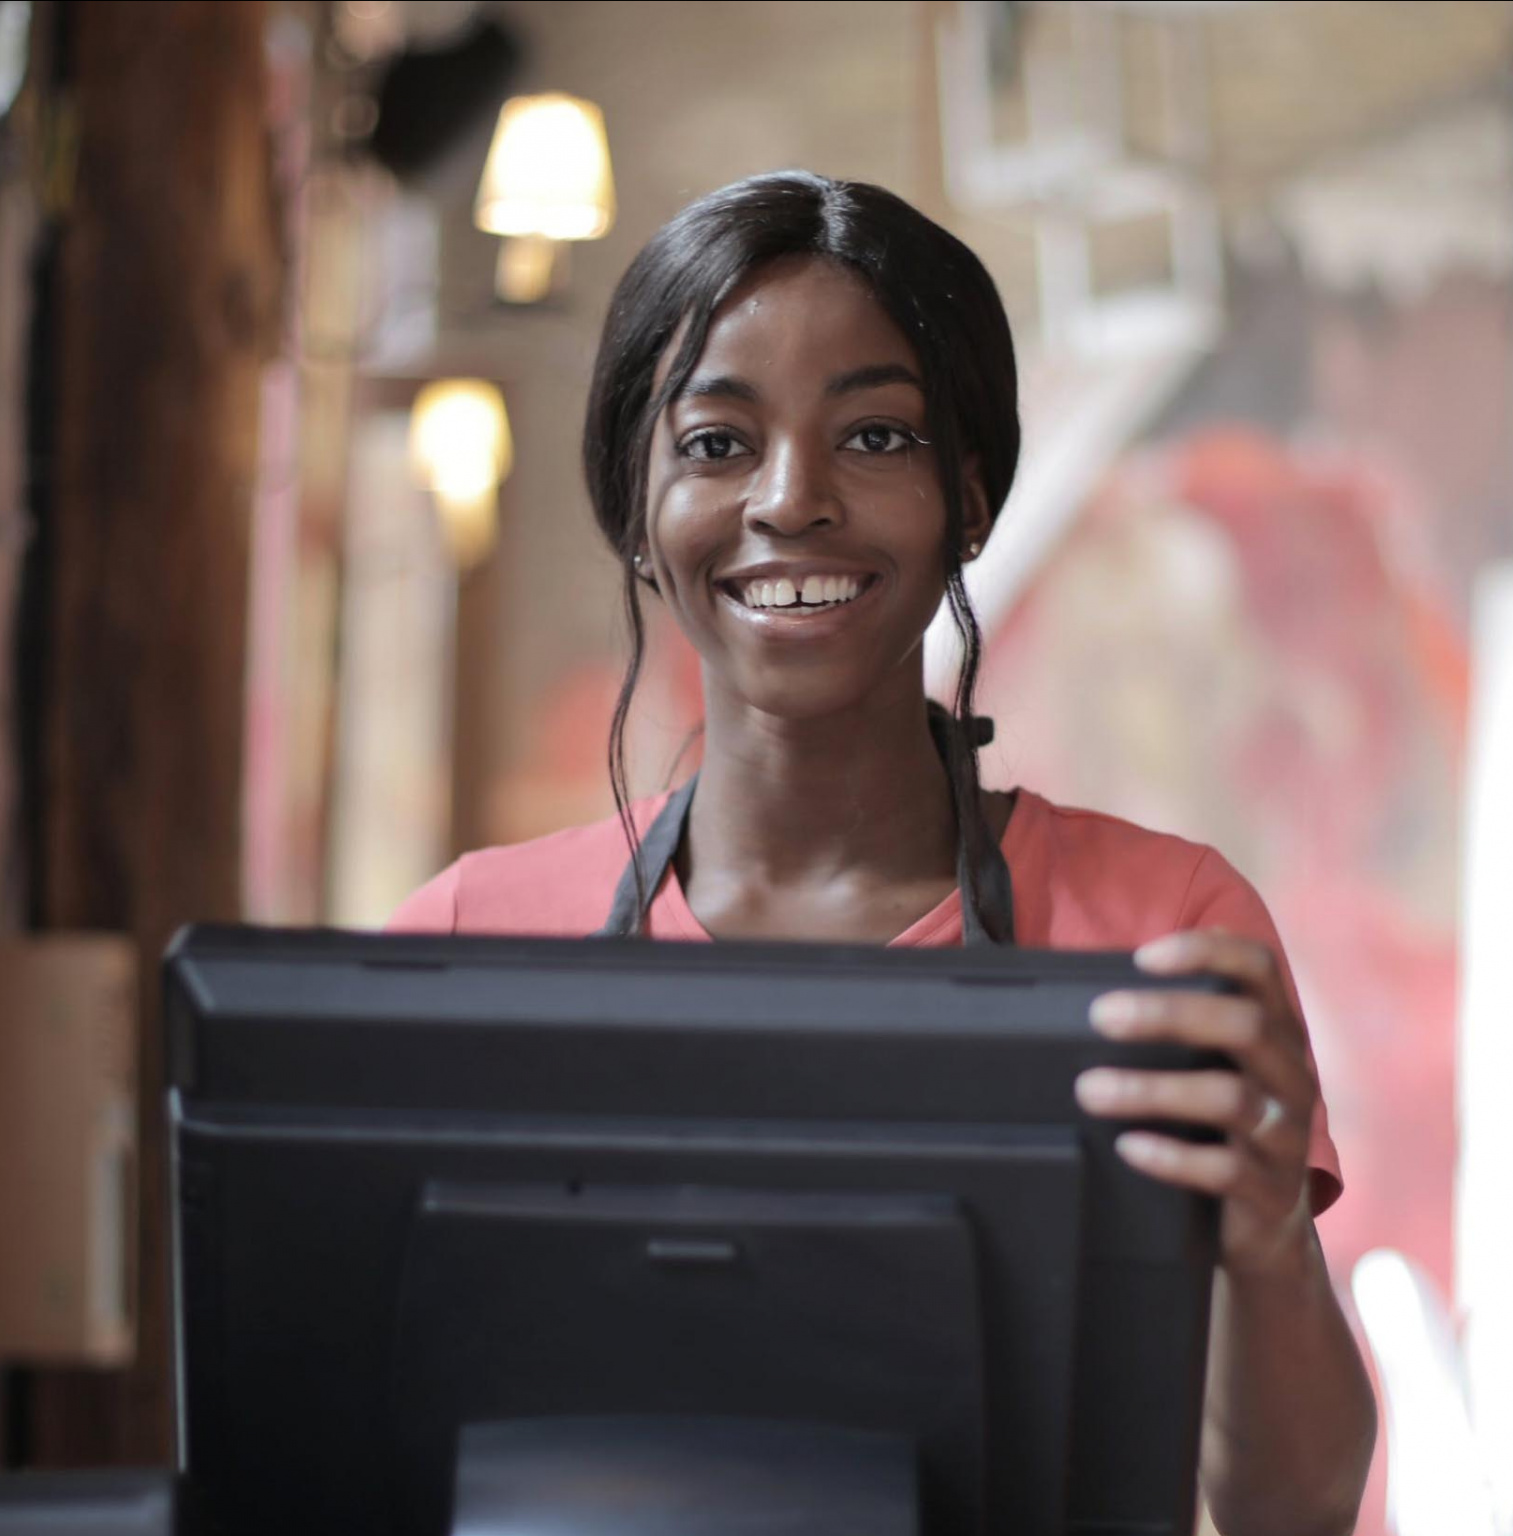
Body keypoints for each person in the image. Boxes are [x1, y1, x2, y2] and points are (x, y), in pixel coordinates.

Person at [390, 171, 1376, 1536]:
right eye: (719, 443)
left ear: (971, 499)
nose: (792, 500)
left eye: (875, 436)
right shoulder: (461, 944)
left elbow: (1292, 1511)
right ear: (636, 506)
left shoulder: (1161, 930)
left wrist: (1265, 1239)